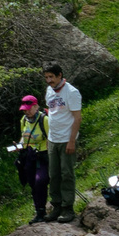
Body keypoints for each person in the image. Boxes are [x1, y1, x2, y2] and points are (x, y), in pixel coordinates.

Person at [43, 62, 84, 223]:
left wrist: (72, 141)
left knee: (66, 173)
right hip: (53, 139)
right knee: (53, 175)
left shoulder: (72, 92)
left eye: (51, 77)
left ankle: (68, 208)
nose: (48, 80)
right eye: (46, 77)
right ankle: (56, 206)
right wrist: (48, 139)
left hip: (67, 139)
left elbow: (77, 118)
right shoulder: (49, 91)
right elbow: (51, 114)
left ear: (60, 75)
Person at [13, 95, 49, 221]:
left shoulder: (44, 120)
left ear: (36, 106)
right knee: (32, 183)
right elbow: (24, 136)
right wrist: (19, 145)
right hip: (29, 155)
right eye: (24, 109)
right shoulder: (23, 120)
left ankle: (49, 208)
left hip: (43, 155)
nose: (26, 112)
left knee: (40, 180)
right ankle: (40, 212)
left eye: (28, 109)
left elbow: (51, 138)